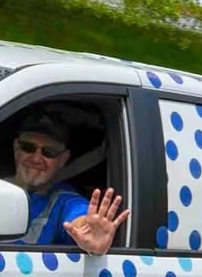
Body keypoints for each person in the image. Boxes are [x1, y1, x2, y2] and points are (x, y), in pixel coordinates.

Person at [7, 108, 129, 255]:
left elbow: (78, 215)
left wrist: (89, 232)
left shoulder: (63, 200)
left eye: (49, 152)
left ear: (63, 159)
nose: (36, 158)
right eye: (28, 147)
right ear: (16, 149)